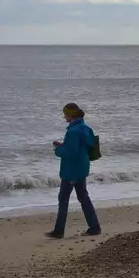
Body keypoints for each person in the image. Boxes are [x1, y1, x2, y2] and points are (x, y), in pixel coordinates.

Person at [46, 102, 101, 239]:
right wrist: (64, 145)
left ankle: (58, 231)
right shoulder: (85, 128)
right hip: (82, 167)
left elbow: (71, 154)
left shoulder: (73, 131)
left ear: (70, 115)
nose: (64, 117)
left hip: (71, 170)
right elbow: (81, 148)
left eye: (65, 114)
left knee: (63, 199)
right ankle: (94, 227)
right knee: (83, 197)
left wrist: (58, 150)